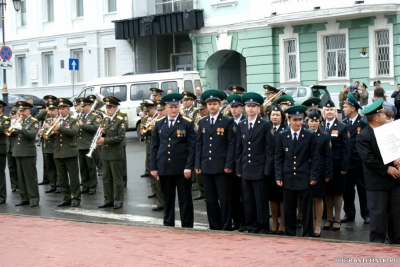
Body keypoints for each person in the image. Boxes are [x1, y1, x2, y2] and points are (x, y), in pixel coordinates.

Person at [356, 98, 400, 244]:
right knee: (378, 217)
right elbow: (368, 159)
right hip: (377, 183)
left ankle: (396, 243)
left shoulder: (389, 131)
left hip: (395, 181)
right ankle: (376, 246)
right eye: (382, 115)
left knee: (396, 215)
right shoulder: (364, 136)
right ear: (375, 118)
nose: (385, 117)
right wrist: (387, 169)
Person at [150, 93, 196, 228]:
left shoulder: (187, 122)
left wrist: (189, 166)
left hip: (182, 168)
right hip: (164, 167)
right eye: (171, 107)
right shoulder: (159, 123)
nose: (174, 110)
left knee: (185, 199)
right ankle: (168, 223)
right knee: (168, 198)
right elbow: (154, 146)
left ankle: (187, 225)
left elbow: (192, 147)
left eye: (176, 107)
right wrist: (153, 167)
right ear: (166, 107)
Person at [275, 105, 319, 237]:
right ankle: (290, 233)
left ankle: (307, 233)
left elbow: (315, 157)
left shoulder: (309, 135)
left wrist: (313, 176)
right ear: (289, 120)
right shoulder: (282, 136)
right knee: (289, 208)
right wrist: (279, 176)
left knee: (306, 209)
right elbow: (278, 158)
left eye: (300, 119)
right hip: (288, 176)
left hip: (304, 176)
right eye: (294, 120)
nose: (298, 123)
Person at [195, 89, 236, 231]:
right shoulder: (202, 122)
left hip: (222, 166)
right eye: (210, 104)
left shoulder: (227, 121)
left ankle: (226, 225)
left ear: (220, 105)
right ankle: (214, 225)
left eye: (214, 104)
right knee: (210, 200)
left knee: (224, 199)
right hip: (206, 165)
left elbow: (232, 145)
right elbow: (199, 144)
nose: (212, 107)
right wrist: (197, 164)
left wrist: (229, 164)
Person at [236, 92, 274, 234]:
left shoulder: (265, 124)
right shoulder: (242, 124)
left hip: (260, 168)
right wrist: (239, 167)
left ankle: (263, 226)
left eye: (253, 106)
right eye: (248, 106)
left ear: (258, 108)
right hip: (246, 168)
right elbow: (239, 148)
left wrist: (267, 168)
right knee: (248, 200)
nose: (250, 109)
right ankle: (251, 226)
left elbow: (270, 148)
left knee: (261, 201)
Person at [320, 100, 350, 231]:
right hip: (324, 166)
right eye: (327, 110)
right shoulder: (321, 126)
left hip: (337, 166)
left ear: (336, 112)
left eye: (331, 109)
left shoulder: (342, 127)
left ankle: (337, 219)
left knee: (337, 193)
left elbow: (346, 149)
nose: (329, 112)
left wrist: (344, 167)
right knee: (327, 193)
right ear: (323, 112)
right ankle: (328, 219)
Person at [341, 93, 369, 224]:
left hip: (359, 163)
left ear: (353, 108)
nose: (343, 109)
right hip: (347, 163)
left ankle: (366, 213)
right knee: (347, 190)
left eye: (345, 107)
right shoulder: (343, 123)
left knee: (362, 189)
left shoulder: (363, 123)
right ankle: (349, 213)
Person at [306, 109, 333, 237]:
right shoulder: (304, 134)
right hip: (306, 171)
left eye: (316, 121)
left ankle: (317, 225)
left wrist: (328, 174)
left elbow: (328, 157)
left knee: (318, 198)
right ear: (307, 122)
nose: (314, 123)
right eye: (311, 121)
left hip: (320, 172)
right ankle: (309, 224)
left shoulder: (325, 136)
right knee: (308, 199)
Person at [97, 97, 126, 209]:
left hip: (115, 153)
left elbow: (120, 137)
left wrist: (105, 140)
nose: (108, 109)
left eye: (110, 107)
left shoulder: (120, 120)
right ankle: (108, 199)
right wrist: (102, 134)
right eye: (107, 107)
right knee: (106, 178)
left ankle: (119, 200)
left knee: (117, 178)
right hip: (105, 153)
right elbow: (105, 134)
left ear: (115, 107)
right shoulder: (106, 120)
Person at [52, 98, 81, 207]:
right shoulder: (56, 120)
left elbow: (73, 132)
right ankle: (66, 198)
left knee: (73, 178)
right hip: (58, 152)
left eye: (63, 108)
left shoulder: (74, 120)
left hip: (70, 152)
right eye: (59, 109)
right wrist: (48, 130)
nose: (61, 111)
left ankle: (76, 198)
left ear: (68, 109)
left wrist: (60, 127)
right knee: (62, 178)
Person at [12, 101, 40, 207]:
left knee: (30, 177)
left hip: (28, 152)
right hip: (18, 151)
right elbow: (12, 136)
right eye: (20, 110)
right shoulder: (19, 121)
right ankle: (24, 197)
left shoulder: (34, 121)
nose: (21, 112)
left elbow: (32, 135)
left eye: (23, 110)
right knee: (21, 177)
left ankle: (34, 198)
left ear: (29, 110)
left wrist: (21, 128)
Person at [226, 94, 246, 232]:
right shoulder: (227, 122)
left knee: (245, 196)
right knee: (233, 195)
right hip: (231, 164)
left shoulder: (245, 121)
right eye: (232, 107)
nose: (234, 109)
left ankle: (245, 221)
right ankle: (236, 220)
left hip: (244, 164)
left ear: (242, 108)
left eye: (236, 107)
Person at [141, 100, 164, 212]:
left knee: (159, 178)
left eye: (161, 110)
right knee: (151, 173)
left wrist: (155, 128)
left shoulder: (162, 120)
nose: (147, 112)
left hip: (160, 151)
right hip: (150, 148)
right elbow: (143, 132)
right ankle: (155, 192)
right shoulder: (147, 119)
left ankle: (161, 201)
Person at [268, 105, 287, 235]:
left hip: (283, 167)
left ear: (282, 117)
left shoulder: (285, 130)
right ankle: (274, 222)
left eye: (277, 115)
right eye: (273, 115)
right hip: (270, 168)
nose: (275, 117)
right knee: (273, 197)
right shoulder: (266, 128)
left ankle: (283, 223)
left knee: (282, 198)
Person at [77, 97, 101, 195]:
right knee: (83, 168)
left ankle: (92, 186)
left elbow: (96, 128)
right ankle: (85, 185)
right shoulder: (80, 116)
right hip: (80, 145)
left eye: (84, 106)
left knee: (91, 167)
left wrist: (82, 125)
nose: (82, 108)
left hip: (89, 145)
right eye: (81, 106)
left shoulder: (95, 116)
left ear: (89, 106)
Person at [41, 100, 61, 194]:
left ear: (57, 110)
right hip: (48, 147)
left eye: (53, 110)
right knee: (50, 167)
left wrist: (48, 127)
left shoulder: (60, 120)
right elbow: (45, 133)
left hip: (56, 146)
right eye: (49, 110)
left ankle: (59, 185)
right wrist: (42, 131)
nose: (51, 112)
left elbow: (58, 132)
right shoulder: (48, 120)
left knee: (58, 168)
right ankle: (52, 185)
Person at [193, 100, 208, 201]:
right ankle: (202, 191)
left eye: (202, 109)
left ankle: (207, 193)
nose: (200, 111)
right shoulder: (200, 119)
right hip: (200, 147)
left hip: (208, 149)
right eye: (199, 109)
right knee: (199, 173)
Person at [0, 100, 10, 204]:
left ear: (1, 109)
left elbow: (3, 129)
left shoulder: (6, 119)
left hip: (1, 150)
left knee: (0, 174)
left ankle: (2, 196)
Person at [6, 107, 18, 193]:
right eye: (12, 114)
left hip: (16, 148)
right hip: (9, 148)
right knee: (11, 167)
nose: (13, 116)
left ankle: (20, 184)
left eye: (15, 114)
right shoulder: (8, 123)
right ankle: (14, 185)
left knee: (18, 167)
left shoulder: (19, 123)